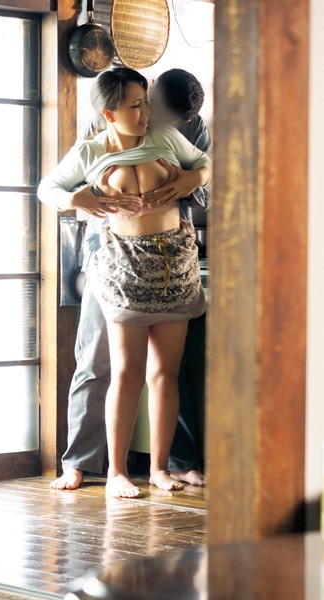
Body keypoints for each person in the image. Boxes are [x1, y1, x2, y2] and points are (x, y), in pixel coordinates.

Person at [38, 68, 211, 498]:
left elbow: (206, 166)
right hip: (121, 267)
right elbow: (49, 187)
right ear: (110, 114)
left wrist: (193, 178)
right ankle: (112, 471)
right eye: (136, 106)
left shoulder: (167, 136)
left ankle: (160, 469)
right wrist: (73, 198)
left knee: (165, 375)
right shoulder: (92, 148)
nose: (146, 113)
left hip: (174, 265)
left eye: (146, 103)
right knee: (119, 372)